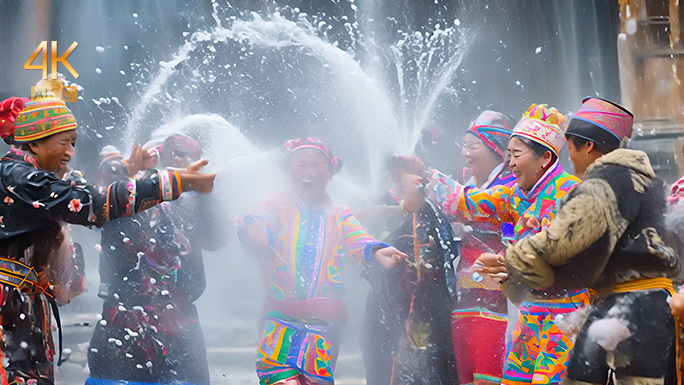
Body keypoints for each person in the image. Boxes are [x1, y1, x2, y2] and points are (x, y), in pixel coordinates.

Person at [0, 97, 216, 385]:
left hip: (25, 302)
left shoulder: (31, 175)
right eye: (63, 142)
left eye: (73, 143)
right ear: (34, 141)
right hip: (9, 303)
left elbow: (79, 189)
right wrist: (175, 182)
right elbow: (89, 203)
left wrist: (128, 170)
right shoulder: (18, 175)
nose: (70, 152)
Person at [496, 98, 679, 385]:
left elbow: (557, 245)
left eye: (570, 147)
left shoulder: (599, 185)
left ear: (589, 146)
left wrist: (516, 258)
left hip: (627, 309)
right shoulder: (648, 183)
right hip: (654, 309)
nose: (568, 158)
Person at [403, 104, 586, 385]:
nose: (509, 163)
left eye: (516, 155)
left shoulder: (571, 191)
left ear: (545, 158)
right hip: (529, 315)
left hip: (565, 318)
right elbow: (466, 202)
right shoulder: (515, 194)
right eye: (508, 155)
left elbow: (560, 254)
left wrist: (511, 260)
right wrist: (425, 175)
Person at [238, 137, 407, 385]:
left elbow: (356, 237)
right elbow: (257, 221)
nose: (309, 172)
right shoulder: (277, 205)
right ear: (288, 170)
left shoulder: (338, 214)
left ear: (330, 171)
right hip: (279, 320)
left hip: (325, 326)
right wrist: (252, 230)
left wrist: (375, 250)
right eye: (301, 165)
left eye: (317, 166)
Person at [86, 134, 227, 385]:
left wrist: (204, 192)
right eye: (178, 153)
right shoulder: (131, 190)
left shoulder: (192, 200)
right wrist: (132, 171)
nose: (185, 160)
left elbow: (216, 239)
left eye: (191, 155)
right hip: (124, 319)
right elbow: (101, 206)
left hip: (181, 323)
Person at [361, 154, 459, 385]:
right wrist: (399, 209)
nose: (401, 177)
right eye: (397, 171)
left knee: (428, 367)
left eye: (413, 172)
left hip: (428, 308)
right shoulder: (383, 203)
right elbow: (358, 237)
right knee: (384, 368)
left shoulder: (438, 207)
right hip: (385, 304)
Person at [451, 110, 515, 385]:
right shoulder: (469, 183)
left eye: (473, 146)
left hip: (495, 304)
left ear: (495, 149)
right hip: (464, 301)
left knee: (487, 381)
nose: (466, 153)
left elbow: (510, 235)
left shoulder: (511, 185)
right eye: (464, 146)